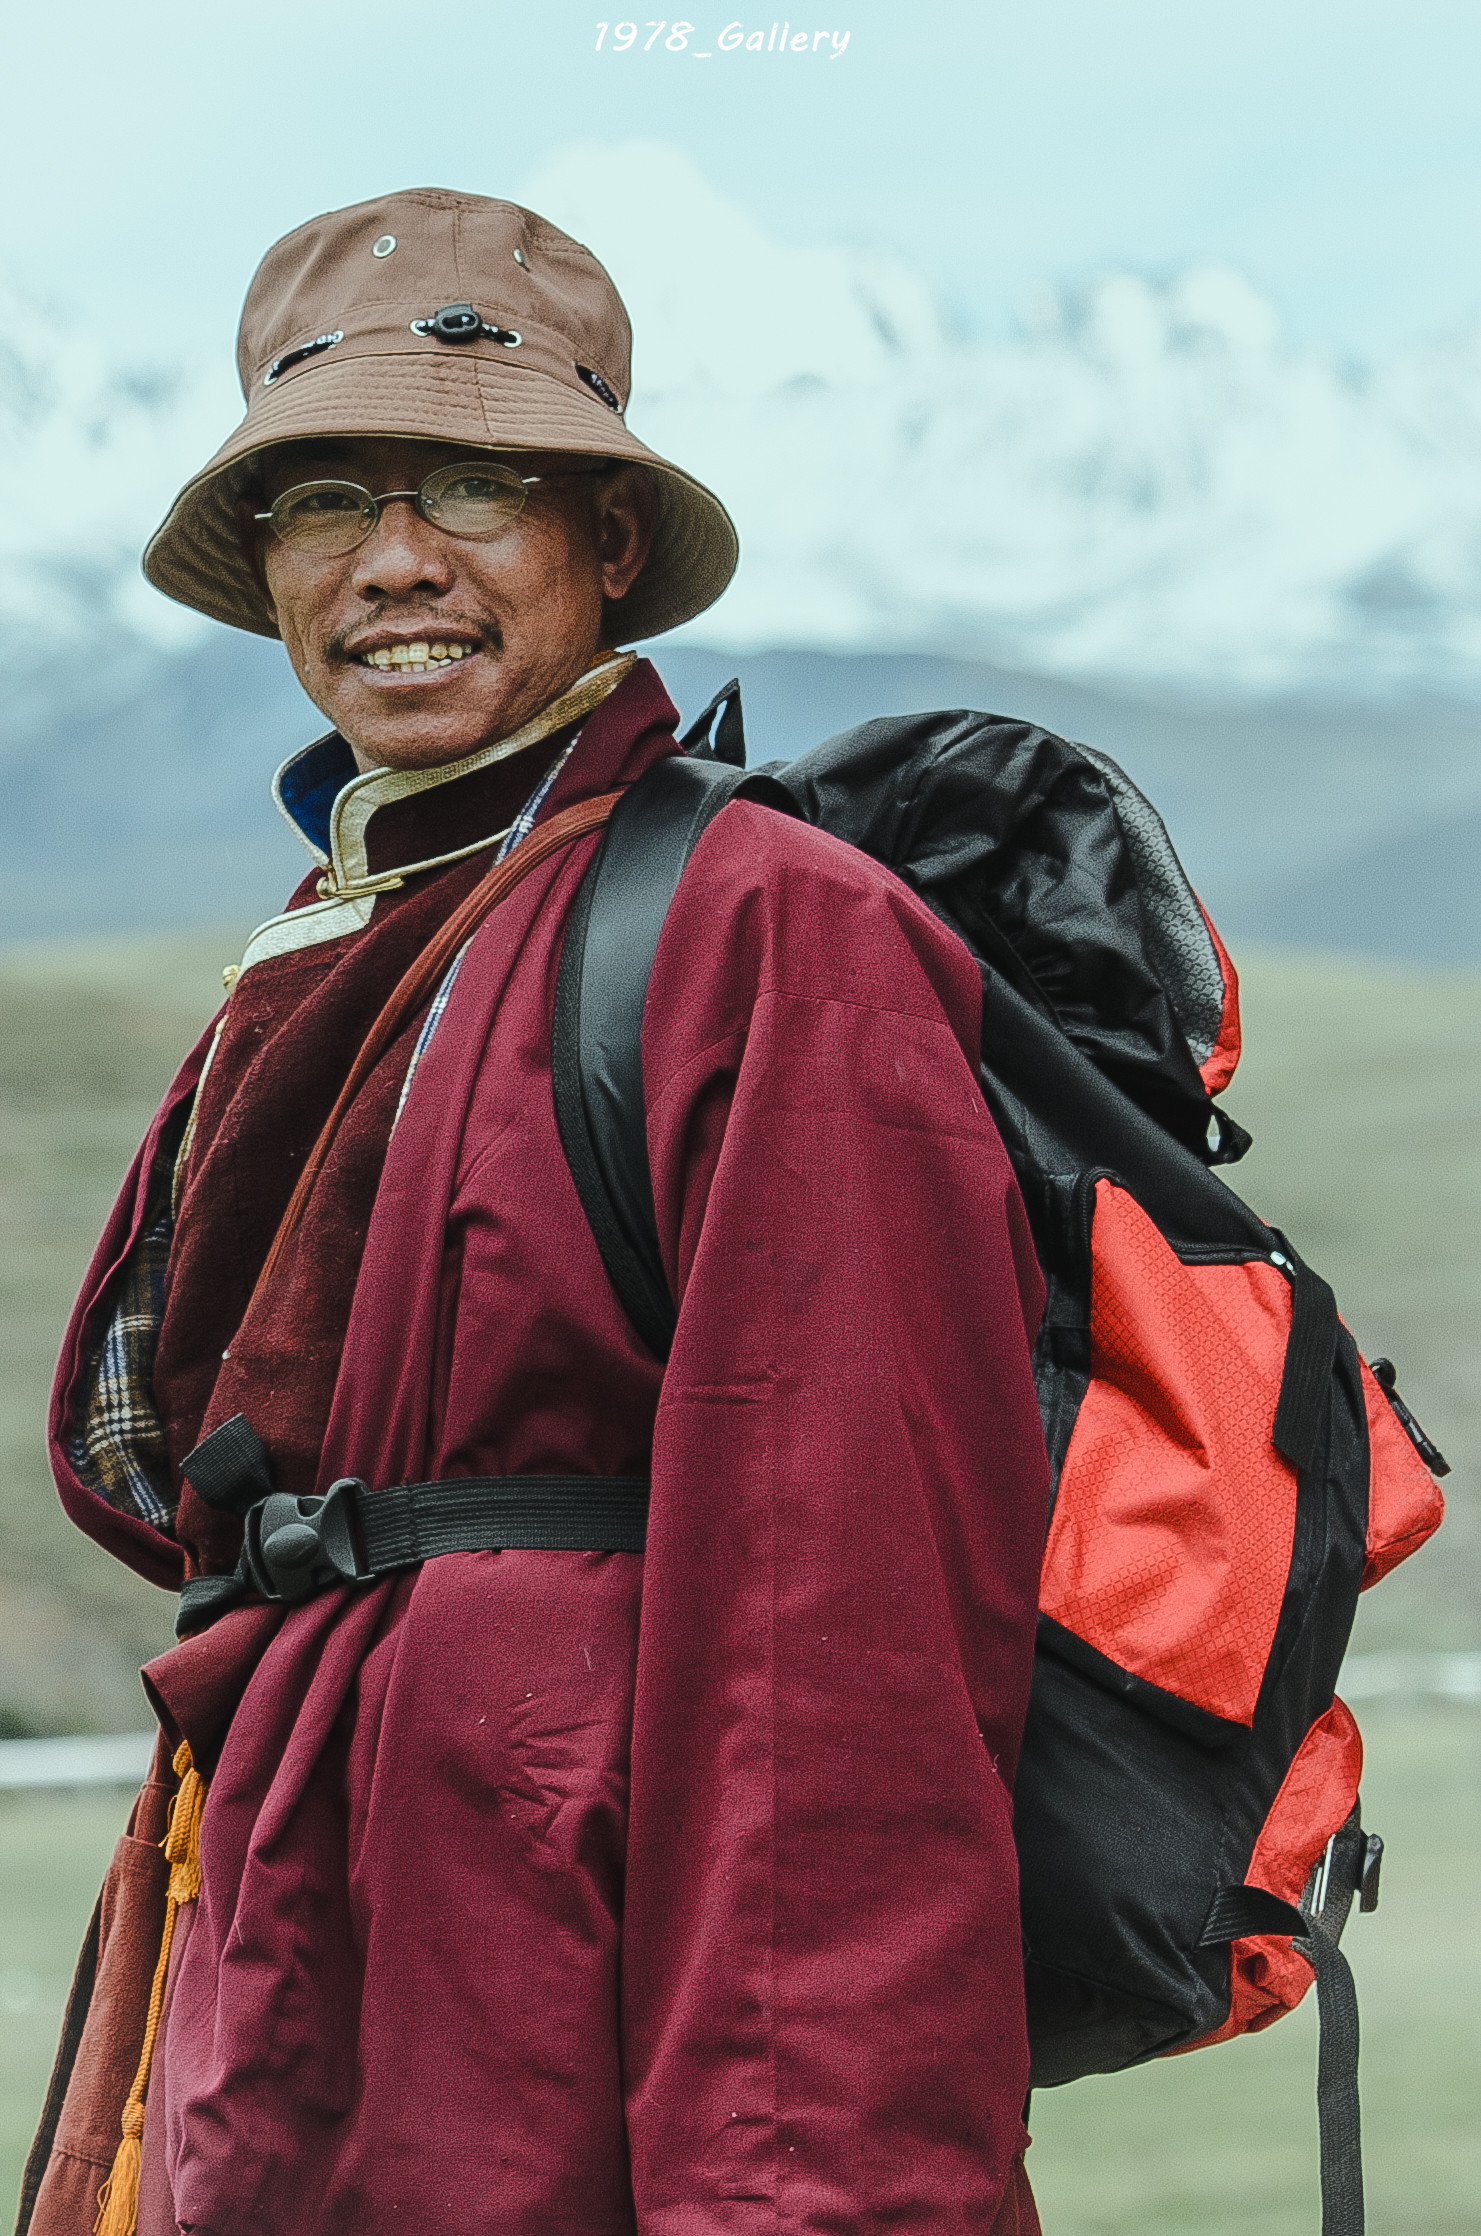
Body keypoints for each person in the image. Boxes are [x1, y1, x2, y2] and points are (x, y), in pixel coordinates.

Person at [22, 188, 1051, 2236]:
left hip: (565, 1999)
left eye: (477, 486)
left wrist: (805, 2199)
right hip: (300, 1940)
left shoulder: (768, 933)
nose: (396, 561)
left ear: (610, 542)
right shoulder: (339, 935)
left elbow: (846, 1669)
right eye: (326, 501)